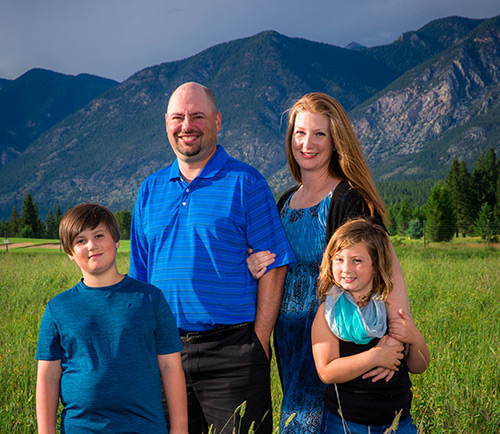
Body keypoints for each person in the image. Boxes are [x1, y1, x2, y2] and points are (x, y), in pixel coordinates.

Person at [129, 82, 295, 434]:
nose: (186, 125)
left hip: (232, 353)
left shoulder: (246, 182)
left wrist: (258, 343)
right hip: (165, 353)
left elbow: (275, 265)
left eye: (197, 116)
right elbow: (140, 278)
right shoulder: (149, 190)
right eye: (178, 117)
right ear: (166, 123)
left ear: (217, 121)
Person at [246, 92, 411, 433]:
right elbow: (274, 270)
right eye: (300, 133)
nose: (308, 143)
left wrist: (394, 341)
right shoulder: (283, 203)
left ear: (337, 141)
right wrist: (253, 266)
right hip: (291, 342)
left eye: (319, 134)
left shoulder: (349, 200)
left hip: (336, 337)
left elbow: (388, 269)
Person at [35, 203, 187, 434]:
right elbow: (48, 377)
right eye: (80, 241)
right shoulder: (58, 308)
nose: (92, 246)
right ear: (69, 253)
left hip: (144, 427)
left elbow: (170, 367)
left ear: (116, 241)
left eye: (99, 235)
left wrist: (180, 429)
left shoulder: (150, 298)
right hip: (81, 427)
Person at [311, 218, 430, 433]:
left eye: (357, 260)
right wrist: (375, 356)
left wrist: (415, 338)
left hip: (398, 422)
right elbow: (326, 371)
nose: (346, 268)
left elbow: (419, 366)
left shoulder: (390, 308)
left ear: (376, 265)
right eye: (338, 259)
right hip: (346, 422)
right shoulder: (328, 313)